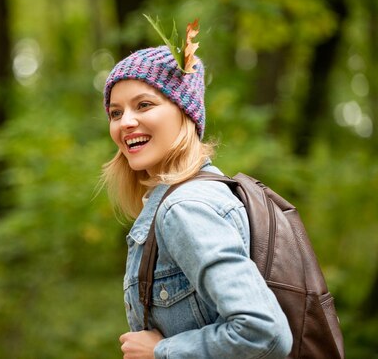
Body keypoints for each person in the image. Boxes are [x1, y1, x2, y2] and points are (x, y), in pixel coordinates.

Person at [101, 44, 293, 358]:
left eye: (144, 104)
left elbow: (265, 332)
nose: (125, 123)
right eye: (116, 112)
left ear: (184, 111)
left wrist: (162, 351)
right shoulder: (206, 191)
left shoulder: (186, 207)